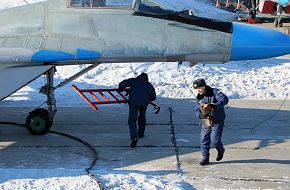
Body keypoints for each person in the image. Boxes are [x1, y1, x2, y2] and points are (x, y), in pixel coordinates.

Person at [193, 78, 229, 166]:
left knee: (215, 140)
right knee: (203, 139)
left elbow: (225, 99)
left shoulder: (215, 92)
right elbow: (196, 109)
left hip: (217, 121)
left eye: (200, 88)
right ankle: (205, 158)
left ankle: (221, 150)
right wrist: (200, 115)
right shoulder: (199, 97)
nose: (198, 90)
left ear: (204, 86)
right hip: (206, 121)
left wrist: (215, 106)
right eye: (197, 89)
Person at [118, 73, 157, 148]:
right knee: (142, 117)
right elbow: (153, 98)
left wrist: (120, 89)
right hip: (144, 104)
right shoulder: (149, 85)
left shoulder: (133, 81)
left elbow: (122, 84)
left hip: (134, 103)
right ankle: (141, 134)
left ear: (139, 76)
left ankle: (134, 137)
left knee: (132, 120)